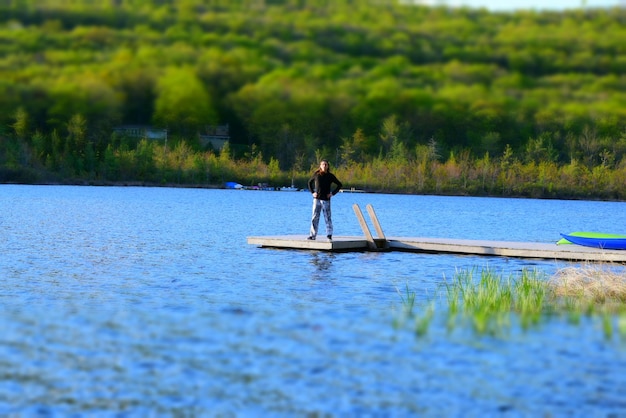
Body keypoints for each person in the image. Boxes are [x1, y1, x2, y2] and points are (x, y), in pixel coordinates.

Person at [307, 159, 342, 241]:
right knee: (315, 217)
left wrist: (332, 194)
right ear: (320, 166)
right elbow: (309, 183)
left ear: (328, 166)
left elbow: (339, 185)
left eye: (326, 164)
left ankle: (329, 234)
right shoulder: (316, 174)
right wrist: (312, 192)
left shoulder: (330, 176)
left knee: (327, 217)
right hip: (317, 199)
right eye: (323, 164)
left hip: (326, 199)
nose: (324, 166)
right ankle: (312, 235)